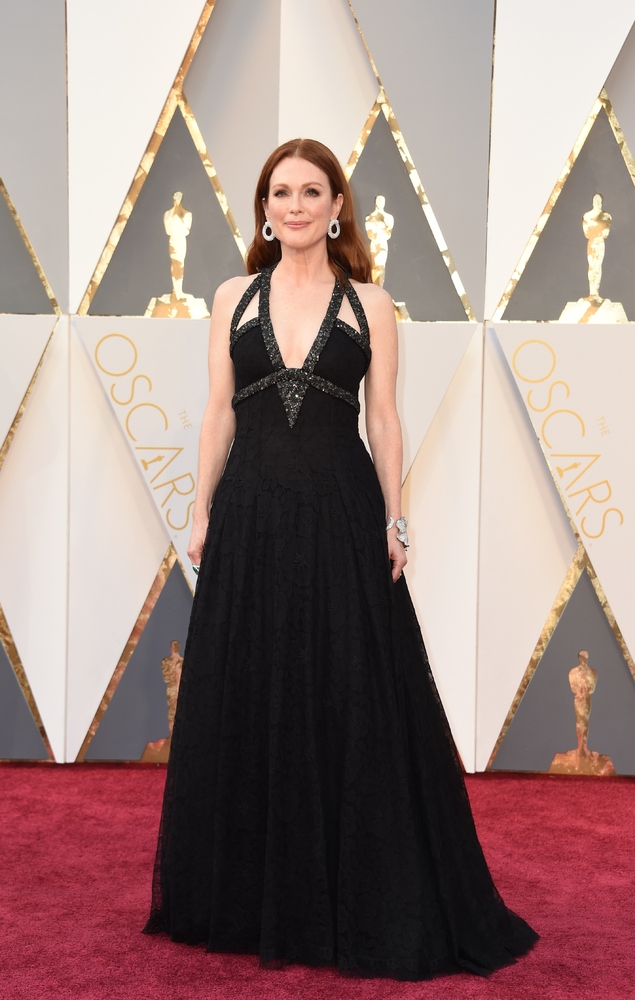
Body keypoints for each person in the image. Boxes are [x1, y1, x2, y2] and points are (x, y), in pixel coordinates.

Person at [144, 138, 538, 980]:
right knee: (251, 687)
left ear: (335, 207)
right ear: (264, 208)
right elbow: (218, 412)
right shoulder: (230, 297)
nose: (294, 205)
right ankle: (251, 898)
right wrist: (201, 509)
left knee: (351, 690)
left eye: (310, 191)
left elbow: (383, 419)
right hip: (249, 514)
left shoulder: (372, 304)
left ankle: (361, 894)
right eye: (280, 192)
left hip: (340, 515)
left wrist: (395, 519)